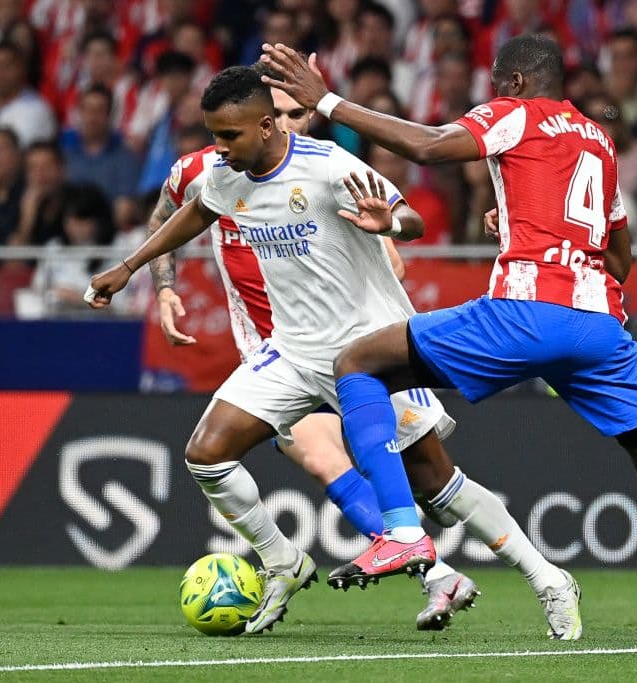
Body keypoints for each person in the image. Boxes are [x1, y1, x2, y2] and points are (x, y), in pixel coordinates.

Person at [260, 33, 637, 649]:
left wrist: (329, 102)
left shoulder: (515, 114)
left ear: (517, 83)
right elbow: (620, 260)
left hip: (525, 313)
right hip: (600, 329)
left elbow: (427, 146)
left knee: (357, 362)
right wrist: (525, 223)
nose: (491, 97)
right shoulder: (598, 140)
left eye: (498, 86)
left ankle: (403, 532)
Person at [86, 66, 578, 639]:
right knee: (207, 454)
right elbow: (197, 210)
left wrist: (390, 222)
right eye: (215, 135)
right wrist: (131, 266)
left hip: (372, 351)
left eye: (229, 136)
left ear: (265, 126)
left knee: (439, 488)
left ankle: (548, 579)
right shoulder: (226, 174)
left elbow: (413, 219)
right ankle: (283, 561)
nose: (218, 148)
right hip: (293, 350)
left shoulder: (327, 166)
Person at [145, 69, 475, 631]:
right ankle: (426, 571)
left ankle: (507, 570)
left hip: (350, 341)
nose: (288, 123)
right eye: (279, 112)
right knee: (319, 459)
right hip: (276, 349)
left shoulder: (318, 169)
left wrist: (374, 240)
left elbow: (396, 242)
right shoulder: (204, 171)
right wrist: (163, 285)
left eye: (295, 113)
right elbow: (166, 219)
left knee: (436, 484)